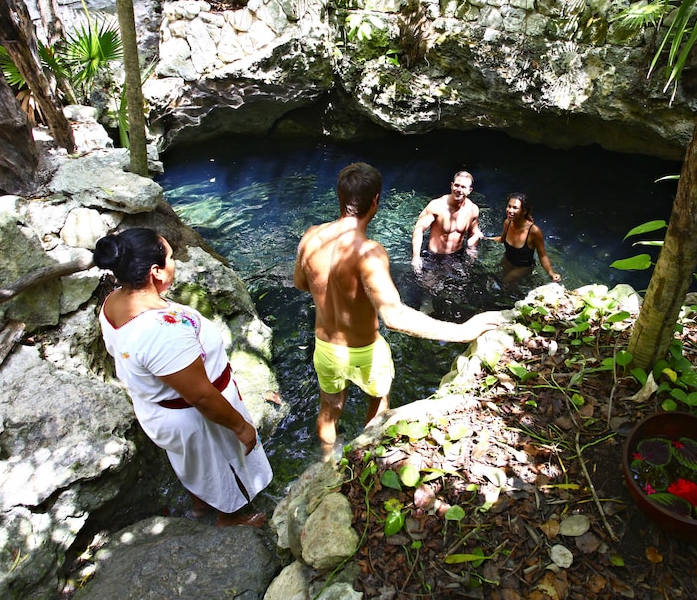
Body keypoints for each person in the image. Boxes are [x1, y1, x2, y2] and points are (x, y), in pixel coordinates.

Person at [294, 163, 504, 459]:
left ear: (340, 197)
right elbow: (393, 317)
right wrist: (462, 331)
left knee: (329, 408)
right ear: (376, 201)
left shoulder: (310, 236)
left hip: (325, 347)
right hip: (365, 350)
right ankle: (363, 462)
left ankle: (328, 460)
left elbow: (301, 283)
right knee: (379, 405)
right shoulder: (369, 252)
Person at [94, 228, 272, 527]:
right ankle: (231, 518)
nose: (175, 262)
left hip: (160, 407)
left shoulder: (114, 300)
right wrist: (241, 426)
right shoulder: (162, 334)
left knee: (193, 462)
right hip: (195, 416)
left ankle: (200, 507)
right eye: (171, 257)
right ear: (155, 272)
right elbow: (201, 396)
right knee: (223, 464)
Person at [410, 170, 483, 271]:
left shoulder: (472, 210)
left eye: (463, 187)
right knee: (429, 286)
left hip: (456, 255)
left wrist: (472, 250)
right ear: (452, 186)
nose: (459, 189)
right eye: (457, 185)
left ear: (469, 190)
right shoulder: (437, 206)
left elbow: (473, 233)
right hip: (434, 256)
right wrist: (416, 257)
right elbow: (419, 229)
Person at [488, 192, 561, 288]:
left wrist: (551, 273)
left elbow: (542, 256)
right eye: (509, 206)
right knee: (505, 283)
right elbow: (502, 239)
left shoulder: (534, 231)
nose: (510, 210)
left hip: (523, 267)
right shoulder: (507, 223)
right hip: (507, 260)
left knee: (504, 283)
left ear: (524, 211)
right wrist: (485, 238)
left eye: (515, 208)